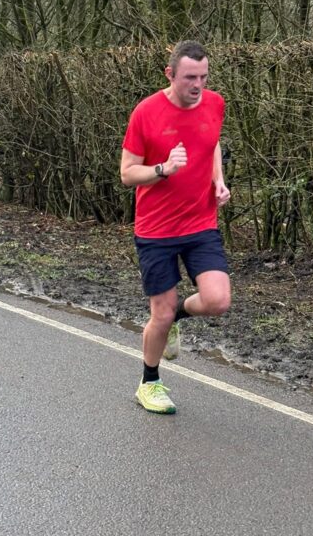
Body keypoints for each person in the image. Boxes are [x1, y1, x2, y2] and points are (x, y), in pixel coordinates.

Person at [120, 40, 231, 414]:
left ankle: (177, 316)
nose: (197, 85)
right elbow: (127, 174)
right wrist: (163, 169)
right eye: (189, 78)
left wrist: (218, 181)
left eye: (203, 77)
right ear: (170, 74)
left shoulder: (215, 104)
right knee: (160, 313)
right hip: (156, 229)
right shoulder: (146, 113)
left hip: (200, 222)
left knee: (217, 300)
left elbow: (211, 144)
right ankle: (149, 383)